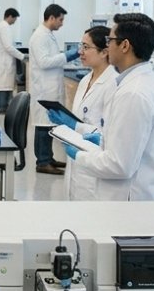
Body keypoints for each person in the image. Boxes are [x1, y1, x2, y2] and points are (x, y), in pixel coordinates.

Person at [59, 13, 154, 201]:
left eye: (110, 40)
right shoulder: (138, 82)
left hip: (129, 203)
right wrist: (103, 139)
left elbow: (119, 165)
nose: (107, 46)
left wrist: (80, 155)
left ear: (125, 46)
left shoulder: (133, 93)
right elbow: (128, 143)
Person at [46, 26, 117, 200]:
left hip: (96, 168)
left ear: (104, 52)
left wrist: (75, 126)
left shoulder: (114, 84)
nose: (80, 52)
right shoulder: (85, 79)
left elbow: (111, 135)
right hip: (77, 164)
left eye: (86, 47)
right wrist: (66, 125)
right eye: (81, 46)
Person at [28, 4, 80, 174]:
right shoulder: (39, 36)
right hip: (44, 88)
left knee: (48, 124)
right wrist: (68, 55)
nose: (62, 23)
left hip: (49, 87)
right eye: (60, 19)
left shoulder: (47, 35)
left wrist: (66, 56)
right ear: (51, 17)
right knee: (43, 125)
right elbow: (44, 62)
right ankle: (42, 162)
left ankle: (48, 158)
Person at [0, 7, 24, 113]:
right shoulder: (5, 27)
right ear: (9, 16)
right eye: (14, 19)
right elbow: (8, 47)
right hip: (4, 63)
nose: (14, 22)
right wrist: (22, 56)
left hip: (0, 62)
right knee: (3, 87)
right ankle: (2, 108)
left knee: (0, 86)